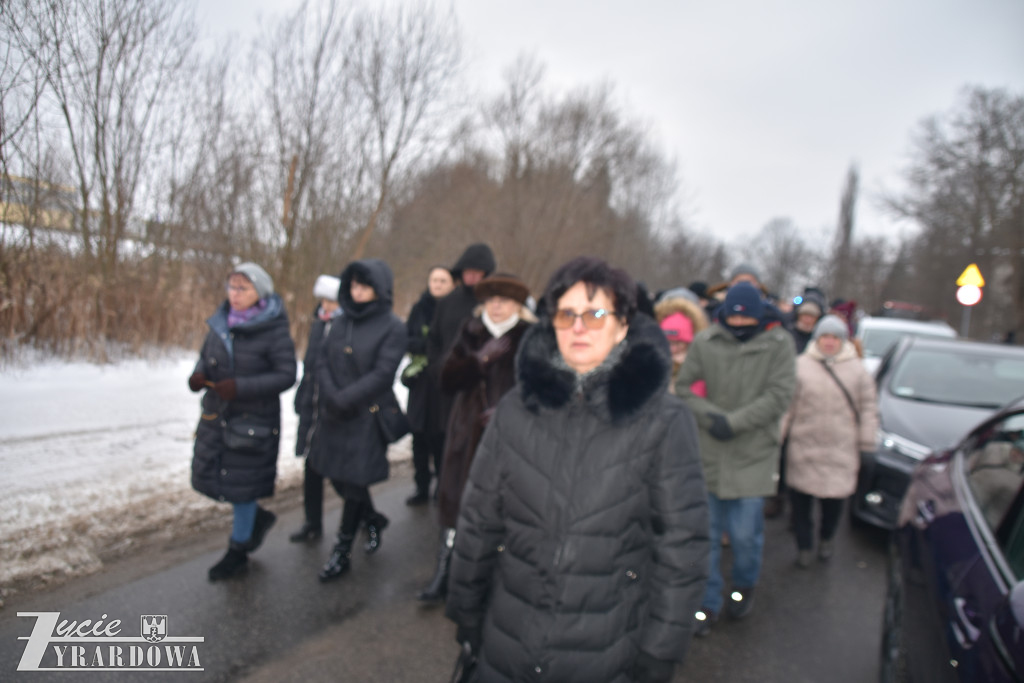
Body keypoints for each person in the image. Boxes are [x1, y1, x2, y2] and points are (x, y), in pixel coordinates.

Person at [446, 256, 709, 683]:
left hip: (606, 650)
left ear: (622, 325)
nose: (579, 327)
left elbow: (682, 546)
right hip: (508, 640)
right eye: (566, 314)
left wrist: (661, 649)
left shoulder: (664, 420)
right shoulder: (516, 410)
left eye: (595, 314)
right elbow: (479, 521)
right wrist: (466, 610)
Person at [674, 280, 796, 636]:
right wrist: (711, 417)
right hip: (709, 451)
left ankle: (744, 585)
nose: (738, 325)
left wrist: (735, 422)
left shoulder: (779, 344)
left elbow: (779, 395)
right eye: (733, 318)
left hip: (752, 453)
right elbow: (684, 387)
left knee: (744, 537)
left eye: (746, 319)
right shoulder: (707, 341)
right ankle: (707, 603)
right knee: (707, 536)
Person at [417, 273, 536, 603]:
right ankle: (444, 572)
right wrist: (480, 358)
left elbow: (541, 387)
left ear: (518, 305)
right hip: (465, 432)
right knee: (455, 502)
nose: (496, 306)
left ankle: (494, 577)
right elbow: (446, 379)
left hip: (512, 438)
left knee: (503, 506)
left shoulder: (531, 336)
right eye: (491, 300)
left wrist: (510, 410)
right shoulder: (471, 331)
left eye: (505, 300)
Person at [188, 262, 297, 581]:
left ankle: (237, 552)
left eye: (242, 288)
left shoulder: (273, 328)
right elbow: (206, 355)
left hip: (253, 421)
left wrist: (241, 388)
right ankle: (255, 520)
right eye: (231, 286)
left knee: (242, 488)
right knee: (217, 478)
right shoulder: (221, 321)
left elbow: (286, 375)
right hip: (218, 415)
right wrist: (199, 374)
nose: (234, 294)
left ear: (259, 293)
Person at [307, 259, 407, 582]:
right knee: (335, 476)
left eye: (364, 286)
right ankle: (373, 518)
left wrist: (347, 398)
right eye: (353, 285)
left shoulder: (393, 327)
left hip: (366, 415)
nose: (357, 292)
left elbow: (383, 373)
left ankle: (342, 550)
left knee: (354, 481)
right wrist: (332, 395)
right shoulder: (341, 321)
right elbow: (322, 360)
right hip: (334, 413)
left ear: (379, 289)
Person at [781, 315, 878, 567]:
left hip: (841, 450)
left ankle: (827, 538)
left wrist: (867, 444)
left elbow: (868, 409)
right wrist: (776, 439)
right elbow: (786, 407)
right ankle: (804, 547)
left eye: (835, 337)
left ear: (843, 340)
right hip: (804, 447)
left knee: (833, 505)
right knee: (800, 504)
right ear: (817, 338)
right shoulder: (800, 366)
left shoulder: (858, 371)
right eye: (825, 336)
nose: (829, 342)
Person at [289, 274, 343, 542]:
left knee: (338, 471)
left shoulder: (346, 326)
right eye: (323, 300)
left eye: (332, 301)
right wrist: (302, 395)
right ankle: (312, 523)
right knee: (311, 467)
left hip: (333, 406)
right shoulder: (318, 324)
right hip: (312, 403)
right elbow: (309, 365)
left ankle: (367, 516)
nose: (326, 306)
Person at [402, 265, 455, 505]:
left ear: (452, 284)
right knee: (418, 435)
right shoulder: (419, 308)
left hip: (443, 380)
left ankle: (443, 486)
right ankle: (421, 486)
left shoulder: (455, 309)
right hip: (420, 381)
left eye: (443, 281)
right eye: (434, 280)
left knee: (440, 436)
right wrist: (425, 345)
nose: (437, 285)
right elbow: (408, 339)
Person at [654, 289, 709, 397]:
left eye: (679, 343)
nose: (672, 349)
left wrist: (688, 367)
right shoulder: (652, 362)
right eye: (668, 343)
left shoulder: (704, 364)